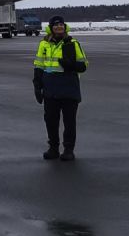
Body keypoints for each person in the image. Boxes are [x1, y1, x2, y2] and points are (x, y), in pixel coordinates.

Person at [33, 15, 88, 161]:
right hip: (50, 88)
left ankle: (69, 149)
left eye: (61, 25)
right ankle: (53, 148)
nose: (59, 27)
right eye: (56, 25)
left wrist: (71, 65)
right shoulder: (43, 44)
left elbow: (83, 66)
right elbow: (39, 65)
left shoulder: (73, 43)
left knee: (69, 121)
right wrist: (37, 85)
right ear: (51, 27)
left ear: (65, 27)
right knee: (51, 120)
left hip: (69, 86)